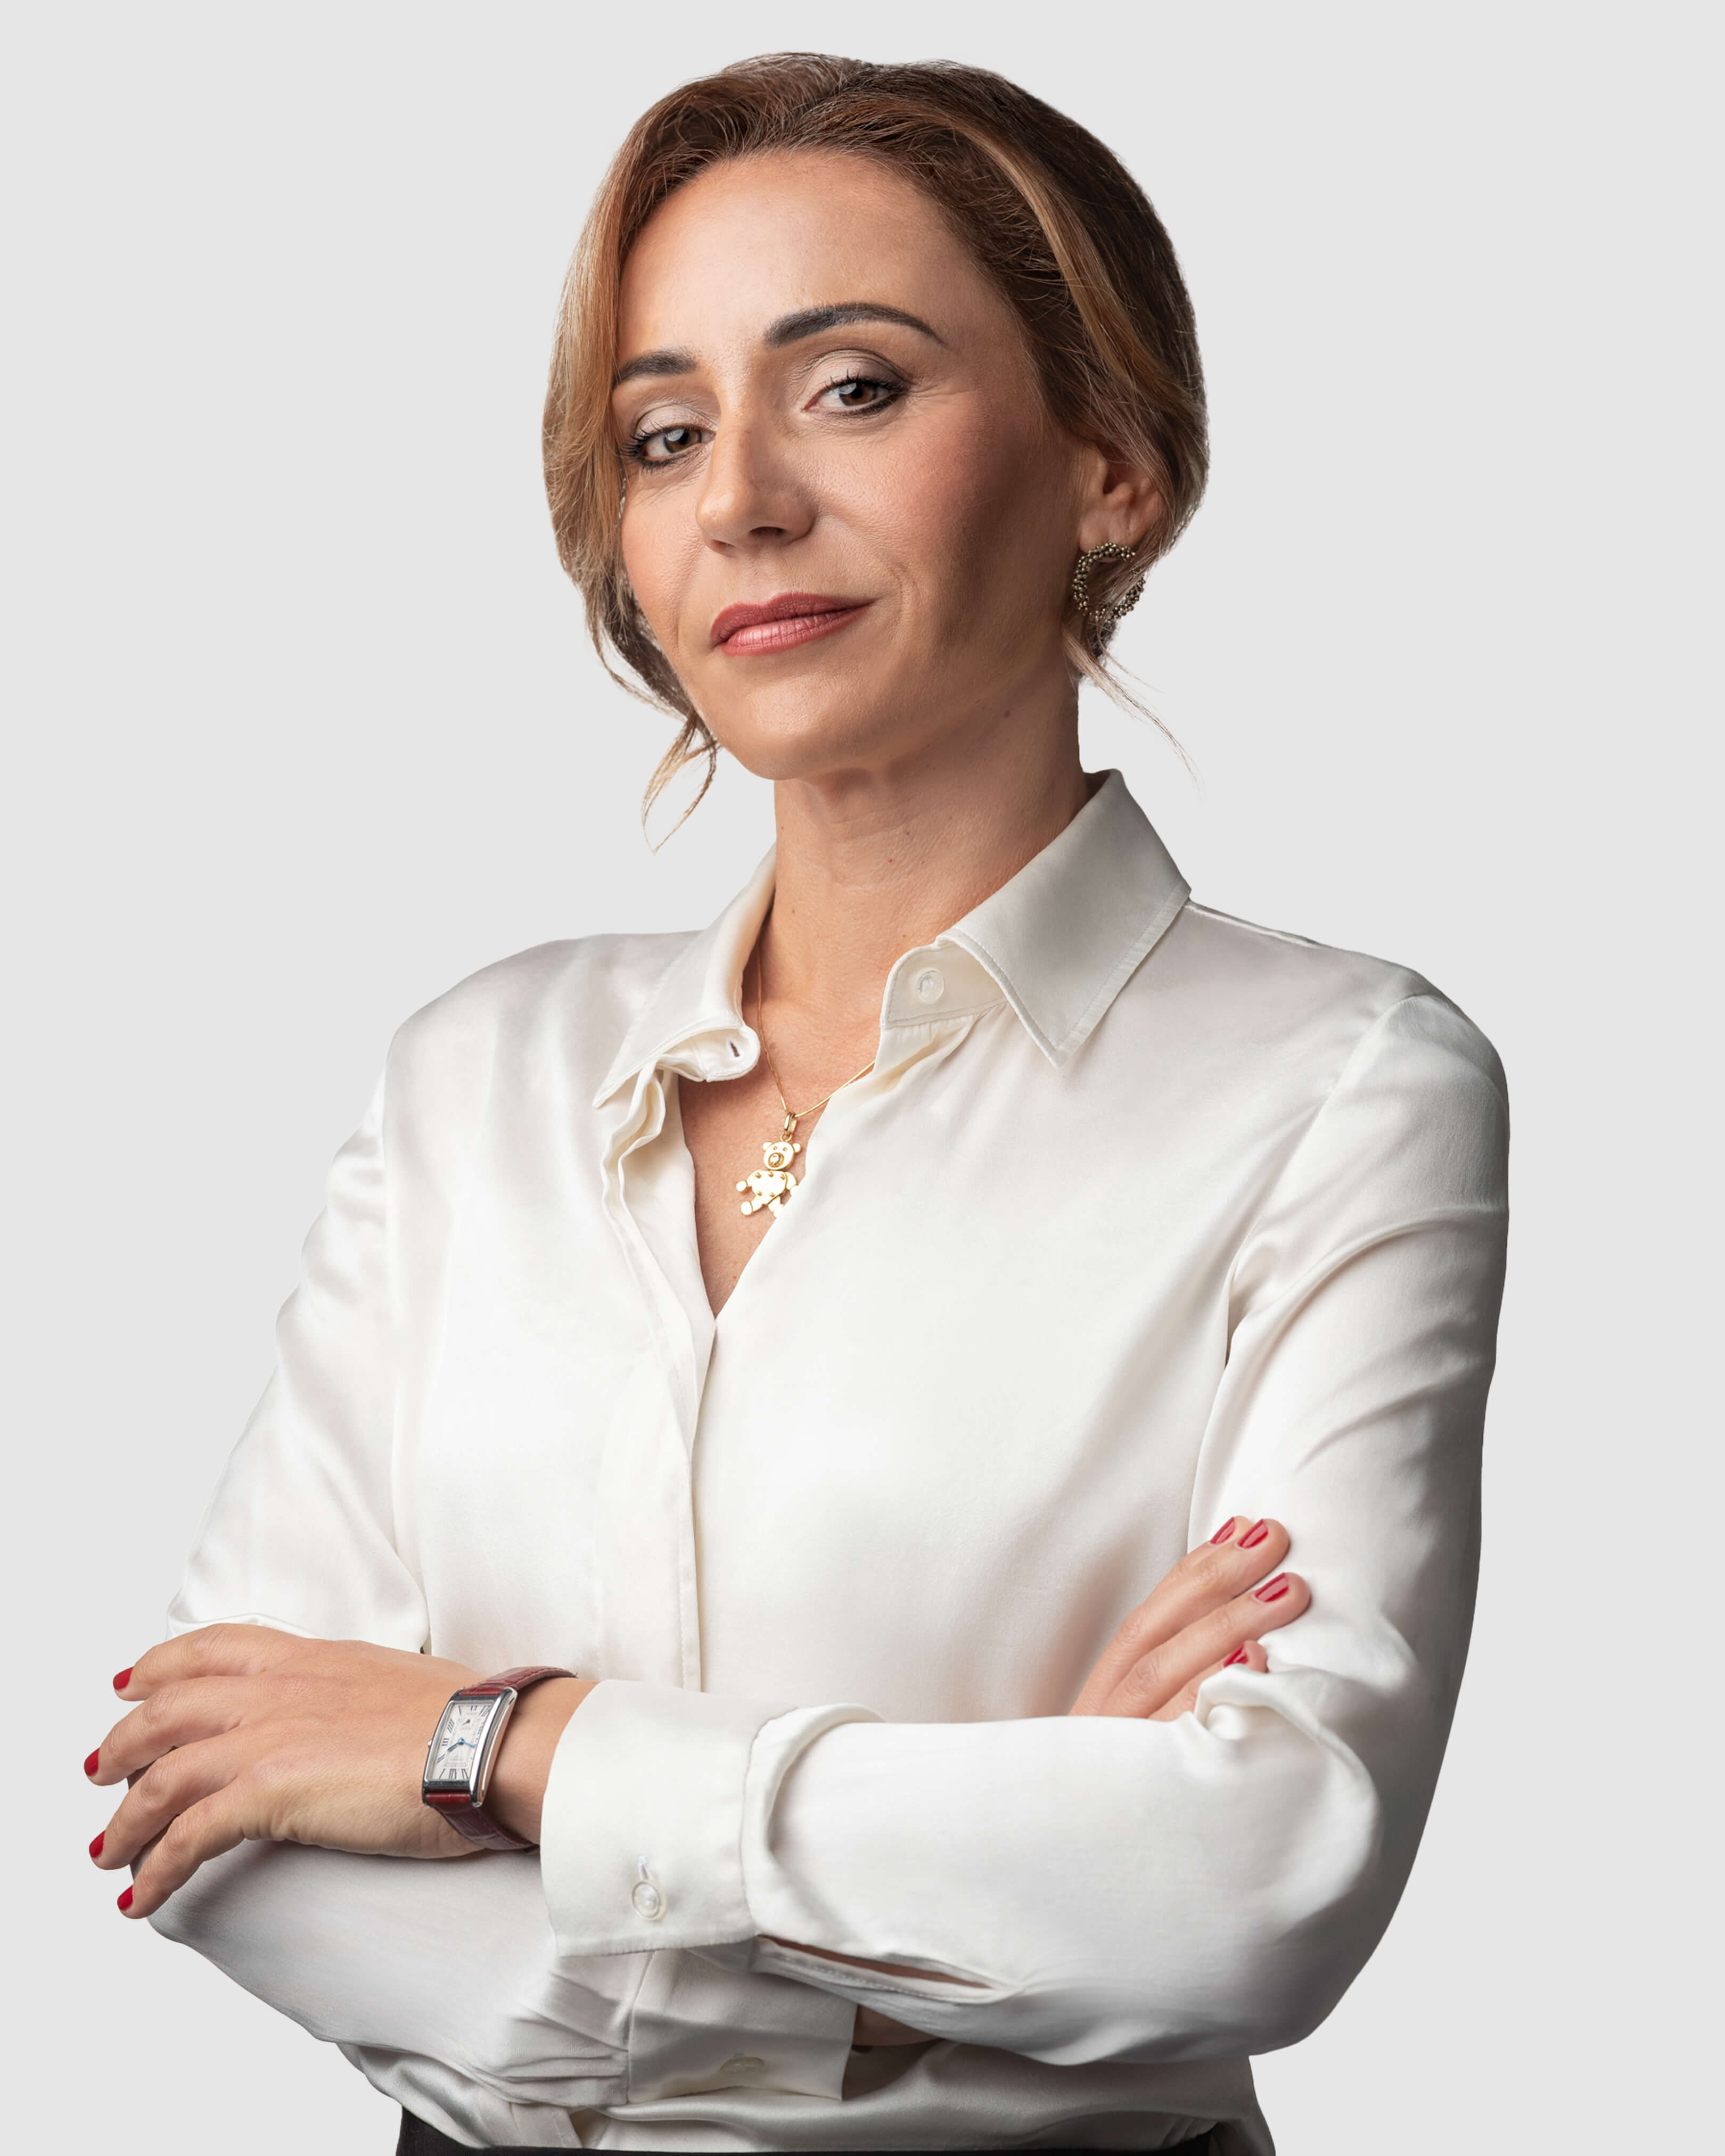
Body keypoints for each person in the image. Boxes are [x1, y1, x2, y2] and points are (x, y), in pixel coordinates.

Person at [85, 53, 1509, 2156]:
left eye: (853, 387)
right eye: (664, 433)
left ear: (1113, 461)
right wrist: (976, 1902)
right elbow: (213, 1805)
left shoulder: (1341, 1084)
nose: (740, 495)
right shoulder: (476, 1075)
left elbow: (1252, 1883)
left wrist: (491, 1747)